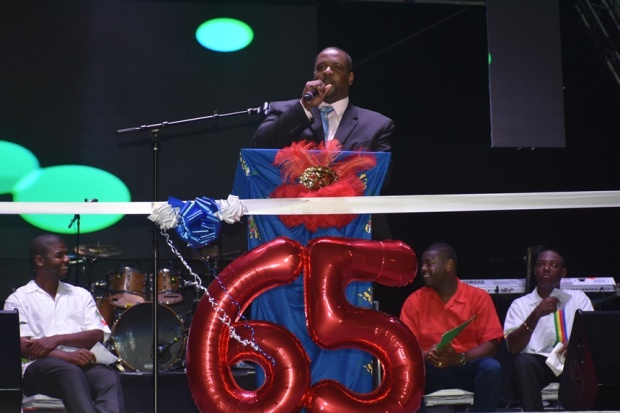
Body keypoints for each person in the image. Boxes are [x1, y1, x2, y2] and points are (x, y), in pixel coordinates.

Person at [3, 234, 125, 413]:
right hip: (38, 369)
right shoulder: (18, 299)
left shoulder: (81, 295)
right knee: (68, 371)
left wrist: (57, 339)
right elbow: (21, 345)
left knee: (107, 378)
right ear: (40, 260)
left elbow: (96, 334)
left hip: (80, 364)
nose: (67, 259)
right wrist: (65, 356)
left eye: (66, 254)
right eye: (59, 255)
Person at [400, 242, 503, 412]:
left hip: (465, 367)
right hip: (430, 370)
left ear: (448, 265)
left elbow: (491, 344)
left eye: (429, 263)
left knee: (491, 368)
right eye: (422, 265)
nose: (423, 269)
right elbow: (406, 348)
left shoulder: (478, 297)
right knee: (409, 372)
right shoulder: (414, 301)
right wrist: (428, 355)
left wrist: (460, 358)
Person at [252, 46, 394, 153]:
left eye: (336, 67)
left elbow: (380, 175)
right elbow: (260, 145)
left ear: (350, 78)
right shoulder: (282, 110)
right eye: (321, 67)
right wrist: (304, 108)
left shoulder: (377, 125)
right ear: (314, 74)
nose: (327, 71)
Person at [503, 249, 593, 411]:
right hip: (539, 365)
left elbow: (592, 335)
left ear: (563, 273)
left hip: (571, 362)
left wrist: (574, 343)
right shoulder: (520, 304)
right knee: (523, 362)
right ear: (534, 270)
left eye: (553, 265)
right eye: (541, 264)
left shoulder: (578, 298)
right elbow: (513, 347)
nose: (546, 268)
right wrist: (536, 314)